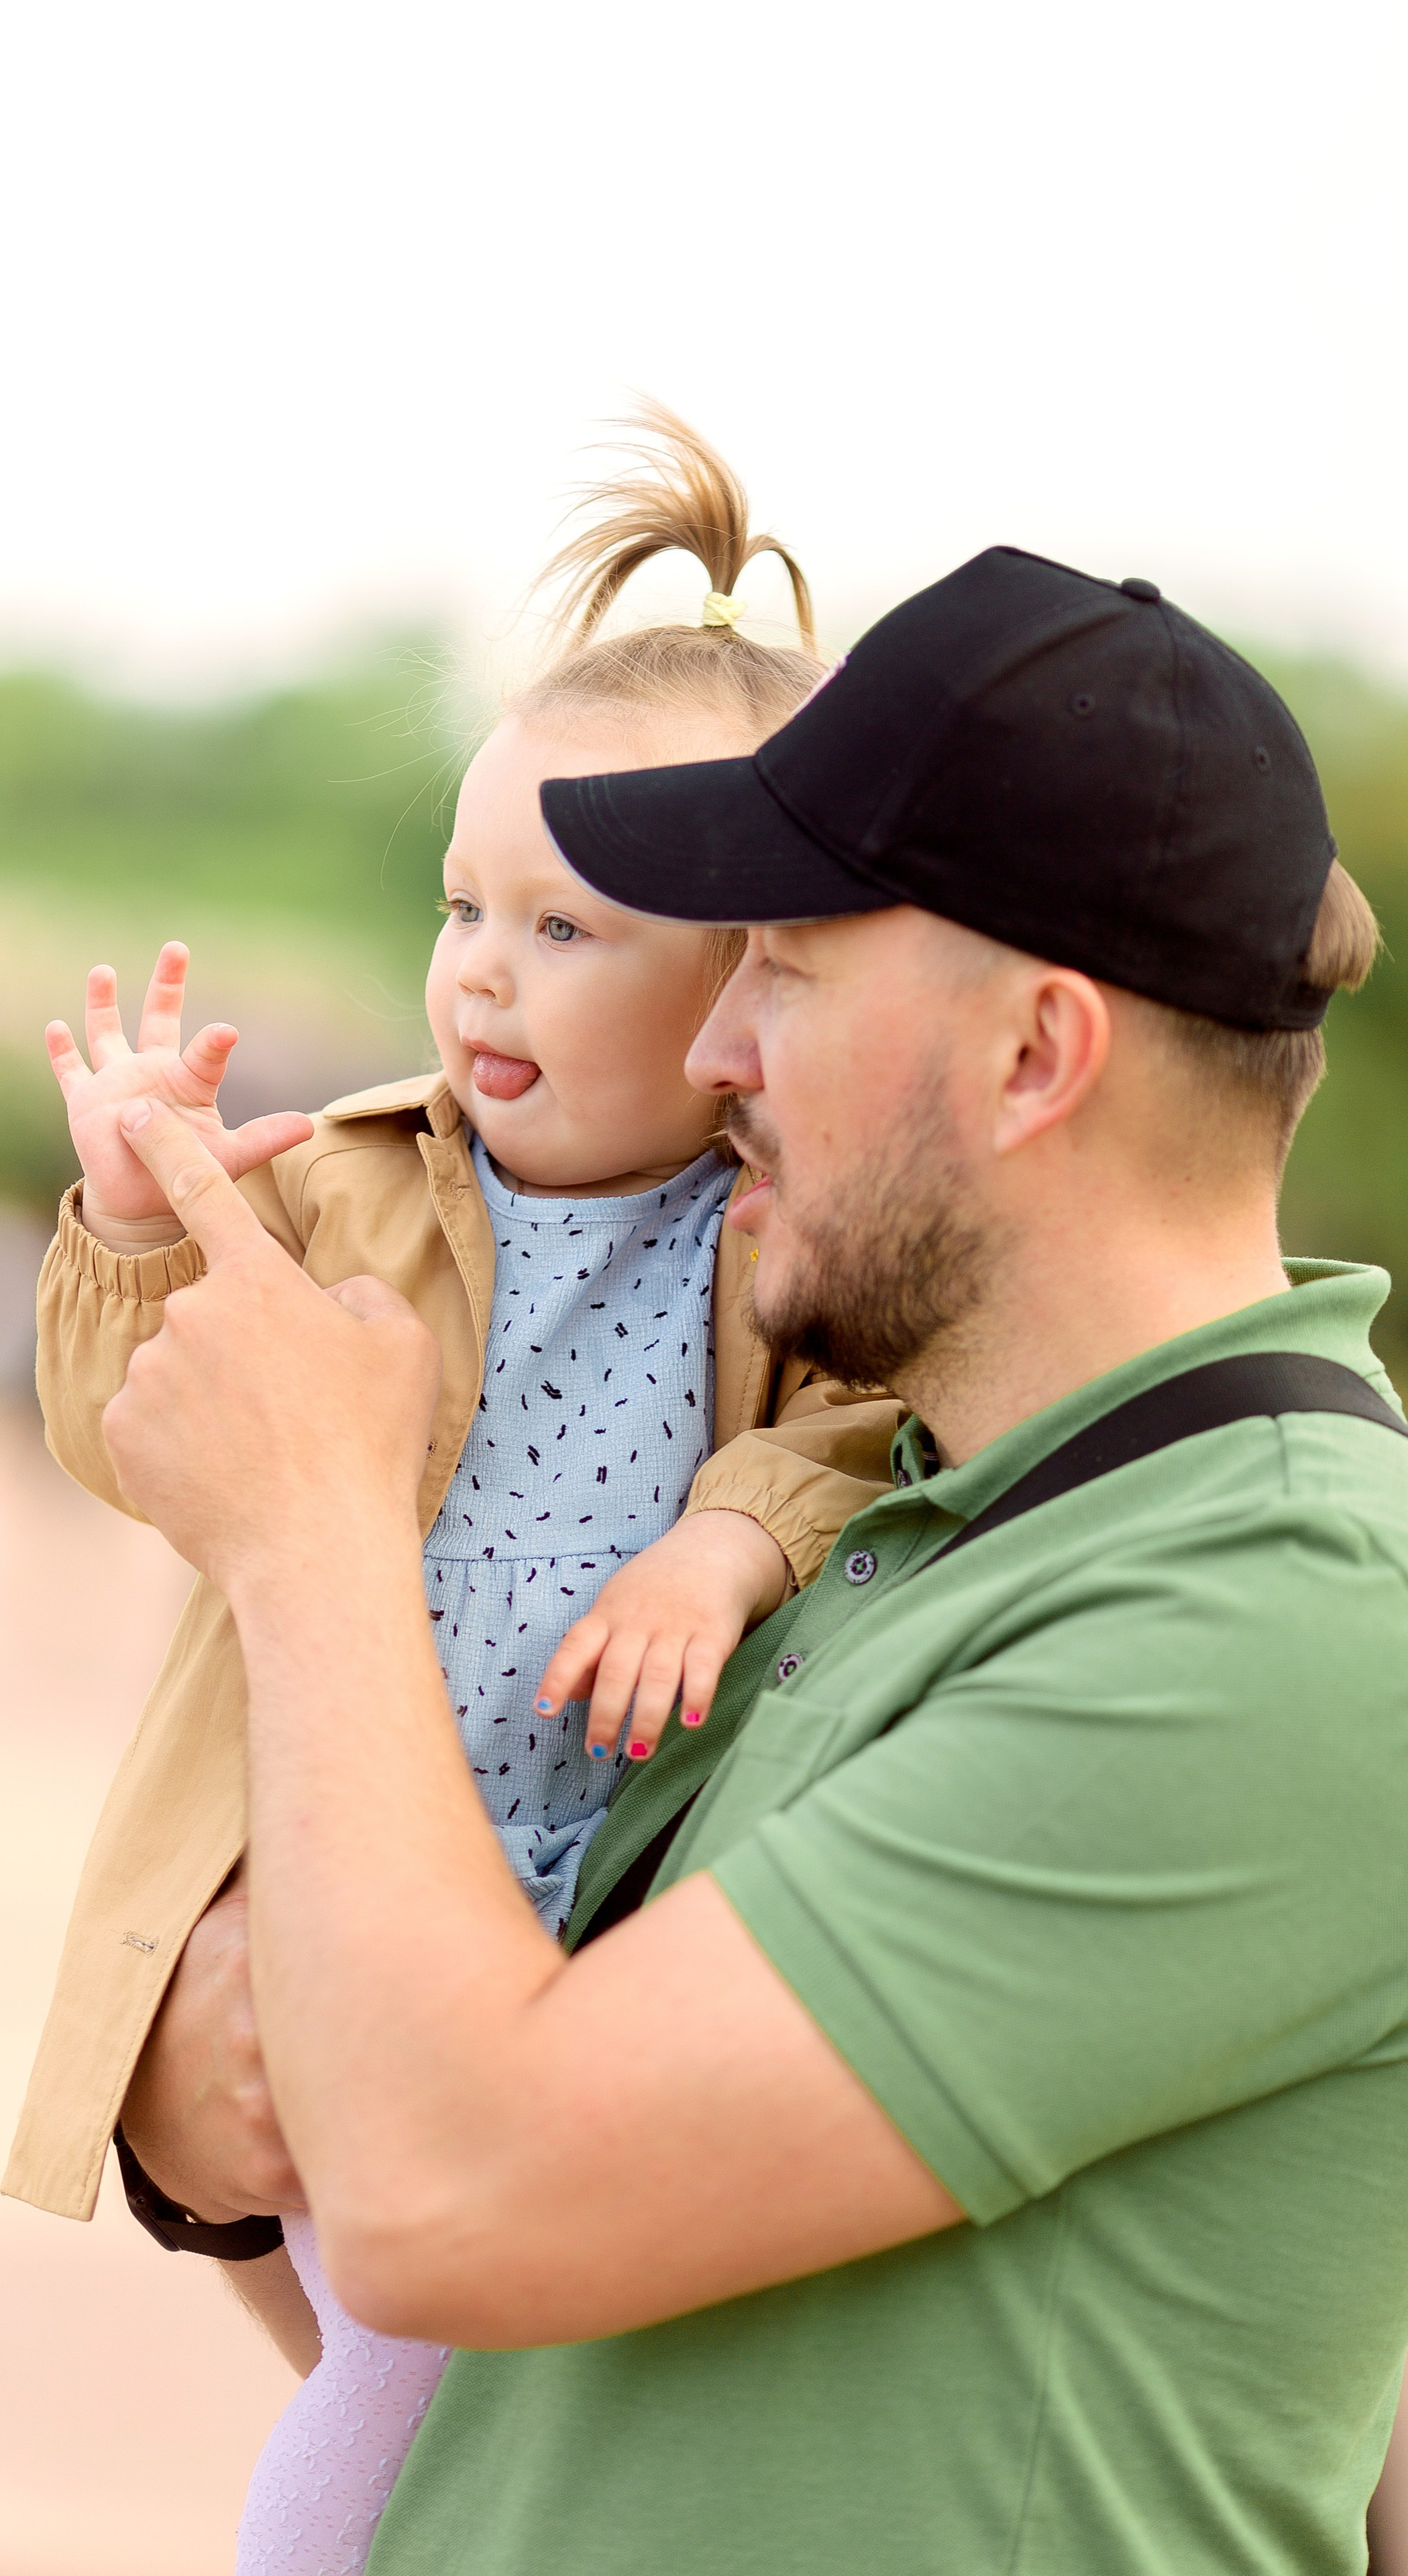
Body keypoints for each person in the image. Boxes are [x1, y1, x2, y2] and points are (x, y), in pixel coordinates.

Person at [95, 543, 1408, 2576]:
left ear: (1035, 1054)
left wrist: (311, 1533)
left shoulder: (1278, 1611)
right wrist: (206, 2106)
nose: (715, 1052)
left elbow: (459, 2195)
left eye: (784, 965)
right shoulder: (927, 1519)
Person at [4, 412, 901, 2571]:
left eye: (566, 928)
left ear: (748, 988)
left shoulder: (785, 1244)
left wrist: (730, 1537)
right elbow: (128, 1434)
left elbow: (869, 1438)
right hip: (339, 1897)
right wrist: (134, 1226)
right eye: (462, 906)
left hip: (582, 1937)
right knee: (402, 2394)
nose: (481, 968)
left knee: (439, 2395)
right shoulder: (347, 1187)